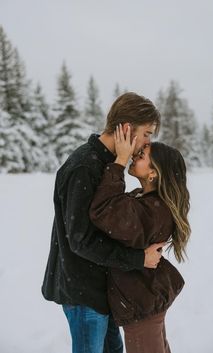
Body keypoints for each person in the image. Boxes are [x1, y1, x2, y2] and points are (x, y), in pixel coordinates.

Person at [41, 92, 166, 353]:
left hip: (101, 290)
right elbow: (81, 241)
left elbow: (110, 222)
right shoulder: (85, 167)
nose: (146, 143)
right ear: (127, 129)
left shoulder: (107, 164)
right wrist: (137, 259)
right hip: (84, 293)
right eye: (146, 133)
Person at [89, 124, 191, 353]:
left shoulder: (153, 211)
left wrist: (119, 162)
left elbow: (105, 211)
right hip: (144, 303)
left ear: (153, 173)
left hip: (141, 309)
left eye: (142, 155)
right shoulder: (145, 201)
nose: (135, 156)